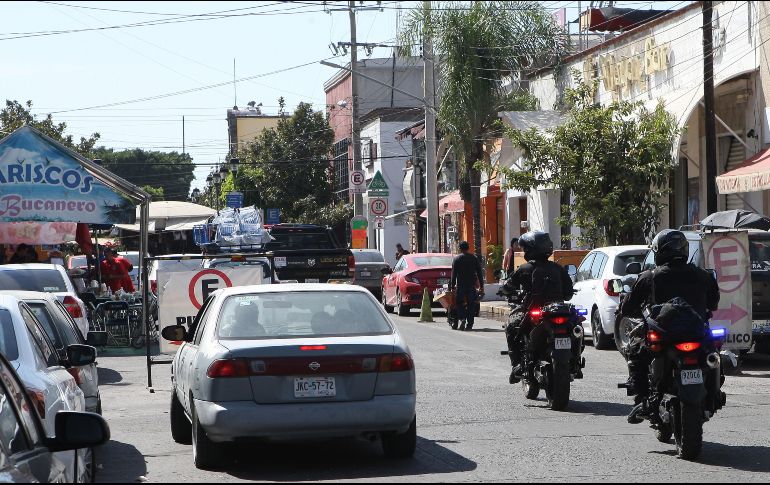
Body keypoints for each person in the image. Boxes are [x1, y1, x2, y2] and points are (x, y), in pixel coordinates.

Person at [620, 229, 719, 423]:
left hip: (665, 336)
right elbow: (713, 303)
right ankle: (714, 395)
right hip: (697, 334)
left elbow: (628, 308)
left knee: (636, 352)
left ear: (659, 251)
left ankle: (642, 400)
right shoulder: (703, 275)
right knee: (713, 356)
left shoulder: (650, 276)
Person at [502, 231, 573, 384]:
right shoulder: (558, 268)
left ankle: (517, 366)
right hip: (558, 309)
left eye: (525, 249)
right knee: (575, 326)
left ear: (530, 249)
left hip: (534, 311)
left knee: (511, 327)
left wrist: (506, 291)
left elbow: (508, 286)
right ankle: (575, 361)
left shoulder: (524, 268)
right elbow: (568, 294)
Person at [449, 241, 485, 331]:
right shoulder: (474, 258)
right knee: (471, 305)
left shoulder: (457, 259)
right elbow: (480, 273)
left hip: (461, 286)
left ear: (460, 249)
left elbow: (453, 274)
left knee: (459, 303)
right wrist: (481, 286)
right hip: (471, 286)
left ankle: (462, 318)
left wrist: (452, 286)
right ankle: (469, 325)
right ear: (468, 248)